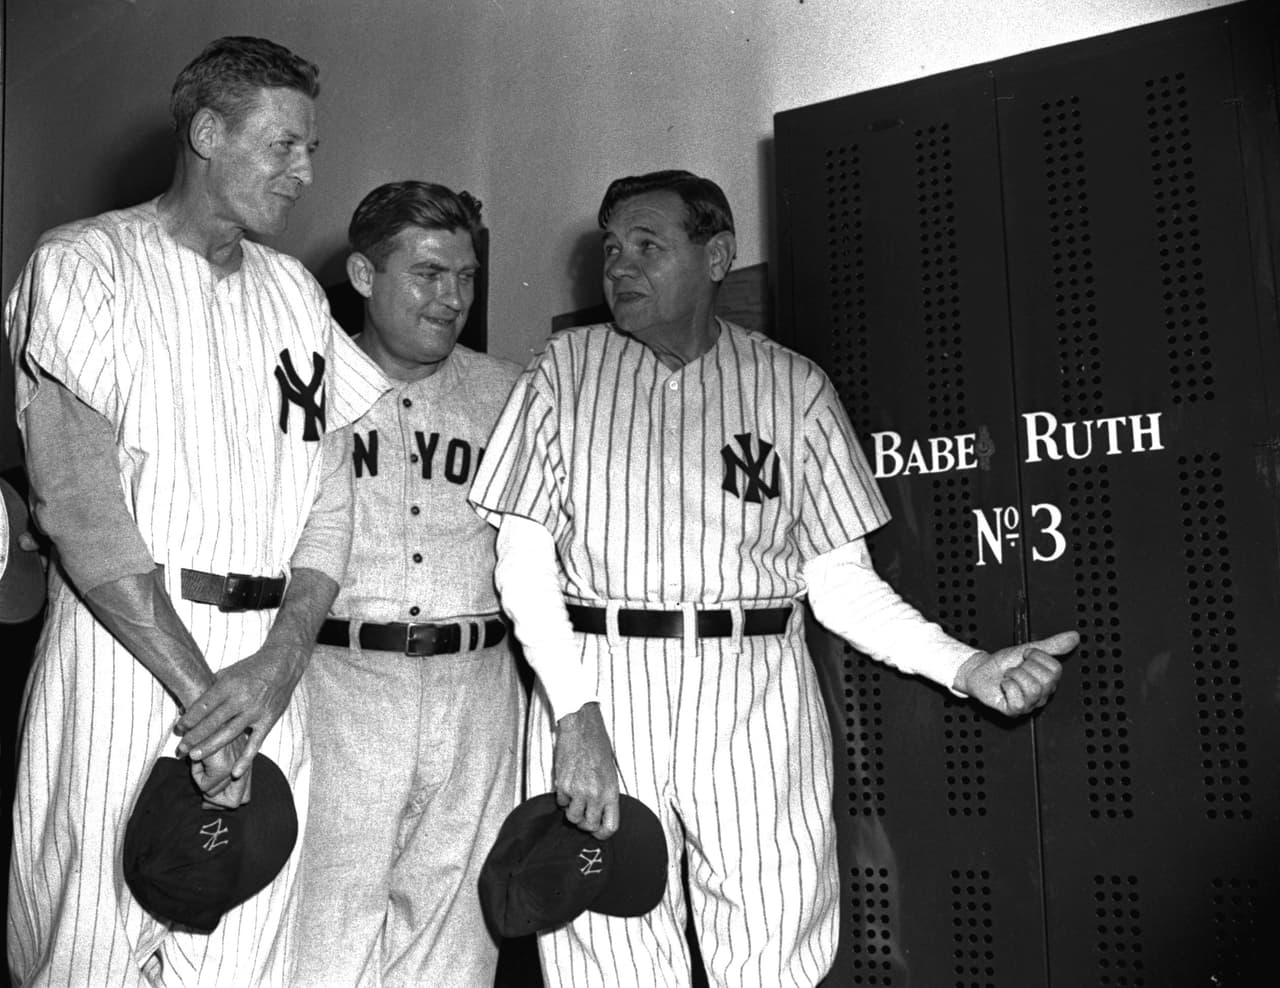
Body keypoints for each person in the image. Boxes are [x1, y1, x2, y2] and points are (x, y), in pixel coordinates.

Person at [469, 169, 1079, 987]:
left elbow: (839, 583)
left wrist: (966, 667)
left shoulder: (795, 388)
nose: (620, 265)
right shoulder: (562, 371)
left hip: (754, 689)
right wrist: (574, 714)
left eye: (648, 245)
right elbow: (523, 559)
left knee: (775, 946)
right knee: (605, 951)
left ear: (717, 254)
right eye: (612, 248)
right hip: (600, 684)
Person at [4, 37, 387, 986]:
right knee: (85, 956)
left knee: (242, 965)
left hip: (266, 673)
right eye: (283, 146)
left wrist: (281, 663)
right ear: (209, 134)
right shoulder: (84, 266)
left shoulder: (297, 296)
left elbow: (329, 503)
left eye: (310, 149)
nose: (306, 173)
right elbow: (80, 511)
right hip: (127, 662)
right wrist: (207, 704)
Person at [293, 181, 525, 987]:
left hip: (479, 686)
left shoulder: (508, 393)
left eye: (465, 277)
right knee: (323, 936)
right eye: (428, 274)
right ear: (363, 275)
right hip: (339, 681)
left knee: (457, 944)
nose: (452, 297)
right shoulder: (304, 386)